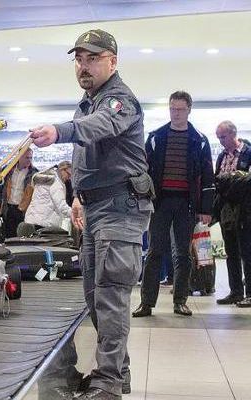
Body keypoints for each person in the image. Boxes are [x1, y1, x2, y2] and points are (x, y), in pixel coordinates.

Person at [30, 29, 152, 399]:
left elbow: (99, 129)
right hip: (98, 207)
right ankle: (118, 371)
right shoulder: (89, 101)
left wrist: (60, 131)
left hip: (121, 209)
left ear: (112, 62)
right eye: (79, 60)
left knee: (111, 296)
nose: (84, 66)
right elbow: (92, 152)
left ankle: (109, 382)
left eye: (93, 59)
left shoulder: (118, 100)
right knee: (95, 297)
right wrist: (80, 195)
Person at [132, 91, 215, 318]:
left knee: (183, 254)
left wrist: (205, 209)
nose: (175, 113)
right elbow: (143, 170)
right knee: (154, 252)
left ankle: (180, 300)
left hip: (186, 203)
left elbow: (208, 175)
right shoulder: (156, 137)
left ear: (189, 110)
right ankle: (147, 303)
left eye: (179, 109)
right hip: (161, 202)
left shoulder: (199, 140)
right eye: (172, 109)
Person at [212, 121, 251, 307]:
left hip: (245, 209)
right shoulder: (221, 157)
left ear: (233, 134)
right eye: (218, 137)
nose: (221, 141)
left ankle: (250, 293)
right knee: (231, 252)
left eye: (223, 137)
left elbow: (246, 182)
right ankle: (235, 291)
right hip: (226, 209)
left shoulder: (248, 153)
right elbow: (218, 181)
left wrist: (233, 181)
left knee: (247, 251)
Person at [0, 148, 37, 238]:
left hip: (23, 210)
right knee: (8, 236)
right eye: (27, 158)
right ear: (19, 157)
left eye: (31, 158)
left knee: (22, 237)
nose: (29, 160)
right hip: (8, 208)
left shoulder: (34, 173)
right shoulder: (7, 170)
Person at [24, 161, 73, 232]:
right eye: (68, 174)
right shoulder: (56, 183)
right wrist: (76, 214)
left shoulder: (44, 179)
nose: (69, 178)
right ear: (62, 169)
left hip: (31, 220)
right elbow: (62, 207)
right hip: (44, 223)